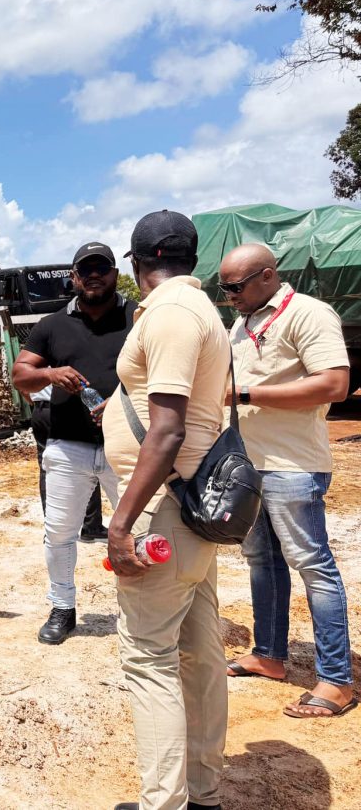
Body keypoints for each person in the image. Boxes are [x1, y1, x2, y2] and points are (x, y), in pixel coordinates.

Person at [102, 211, 229, 810]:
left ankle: (164, 804)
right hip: (190, 511)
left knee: (149, 657)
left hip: (166, 507)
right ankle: (201, 792)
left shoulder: (173, 316)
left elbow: (167, 429)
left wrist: (121, 522)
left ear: (137, 260)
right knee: (201, 651)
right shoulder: (200, 311)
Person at [217, 244, 355, 718]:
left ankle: (336, 680)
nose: (228, 295)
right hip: (251, 465)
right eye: (224, 287)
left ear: (268, 276)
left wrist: (246, 392)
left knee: (313, 566)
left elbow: (334, 383)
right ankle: (269, 655)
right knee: (262, 563)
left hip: (294, 465)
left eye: (235, 286)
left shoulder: (310, 314)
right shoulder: (243, 321)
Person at [11, 242, 136, 645]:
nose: (94, 275)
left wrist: (120, 404)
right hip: (68, 446)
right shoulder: (52, 325)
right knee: (59, 532)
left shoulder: (138, 318)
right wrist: (50, 374)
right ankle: (62, 608)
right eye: (87, 270)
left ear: (115, 273)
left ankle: (139, 613)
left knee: (138, 529)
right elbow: (20, 374)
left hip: (127, 446)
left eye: (102, 268)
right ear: (74, 278)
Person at [29, 386, 107, 544]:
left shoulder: (33, 362)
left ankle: (53, 531)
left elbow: (23, 389)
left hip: (40, 410)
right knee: (88, 458)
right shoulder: (62, 361)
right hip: (66, 410)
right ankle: (91, 527)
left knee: (47, 470)